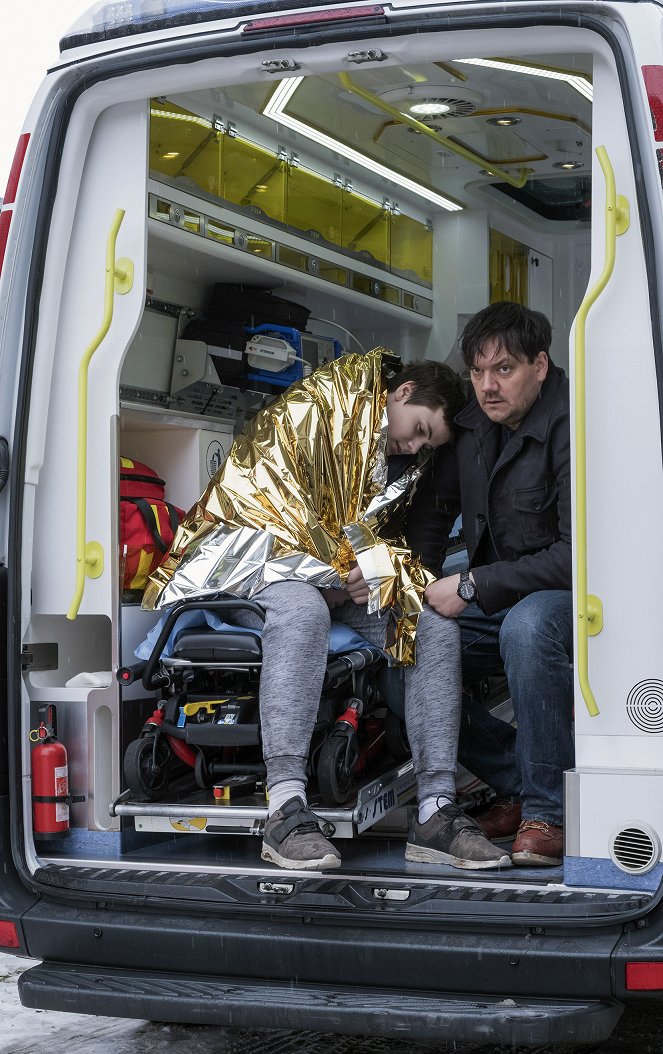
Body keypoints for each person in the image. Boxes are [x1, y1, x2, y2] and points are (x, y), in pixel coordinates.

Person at [147, 354, 512, 873]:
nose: (413, 446)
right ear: (403, 391)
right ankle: (285, 806)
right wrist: (332, 574)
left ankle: (436, 808)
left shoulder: (396, 457)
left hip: (333, 582)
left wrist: (371, 569)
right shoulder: (317, 408)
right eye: (418, 430)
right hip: (248, 566)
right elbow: (270, 512)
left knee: (429, 619)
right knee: (302, 610)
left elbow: (369, 536)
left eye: (425, 444)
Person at [408, 303, 572, 867]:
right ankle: (519, 783)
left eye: (503, 370)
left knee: (527, 629)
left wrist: (473, 584)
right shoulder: (474, 427)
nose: (486, 386)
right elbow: (432, 512)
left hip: (572, 598)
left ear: (541, 365)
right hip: (498, 594)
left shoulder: (572, 423)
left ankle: (549, 813)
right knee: (404, 643)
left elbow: (577, 557)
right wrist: (410, 585)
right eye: (478, 373)